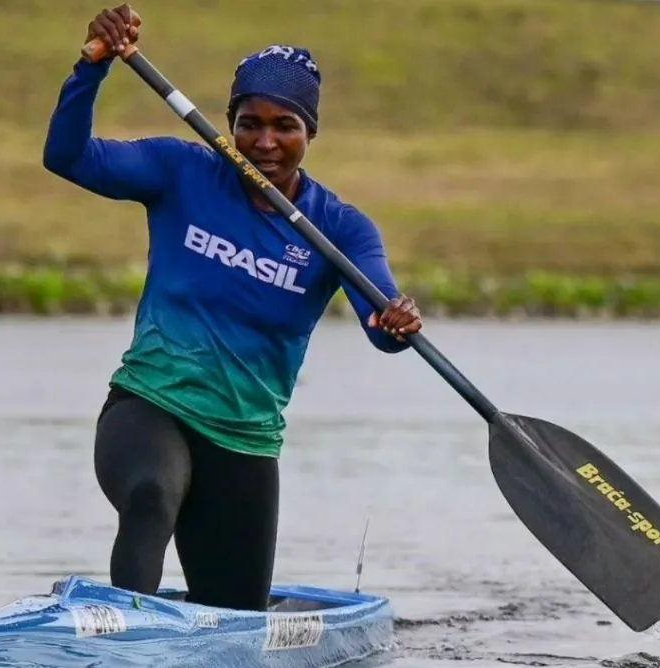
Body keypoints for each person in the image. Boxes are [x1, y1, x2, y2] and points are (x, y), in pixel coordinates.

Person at [42, 4, 424, 612]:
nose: (265, 142)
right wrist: (90, 68)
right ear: (227, 124)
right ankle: (123, 636)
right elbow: (69, 158)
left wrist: (397, 322)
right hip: (150, 405)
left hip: (244, 443)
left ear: (310, 134)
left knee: (235, 612)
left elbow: (381, 328)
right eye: (249, 124)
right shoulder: (181, 171)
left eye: (285, 126)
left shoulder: (342, 230)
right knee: (150, 494)